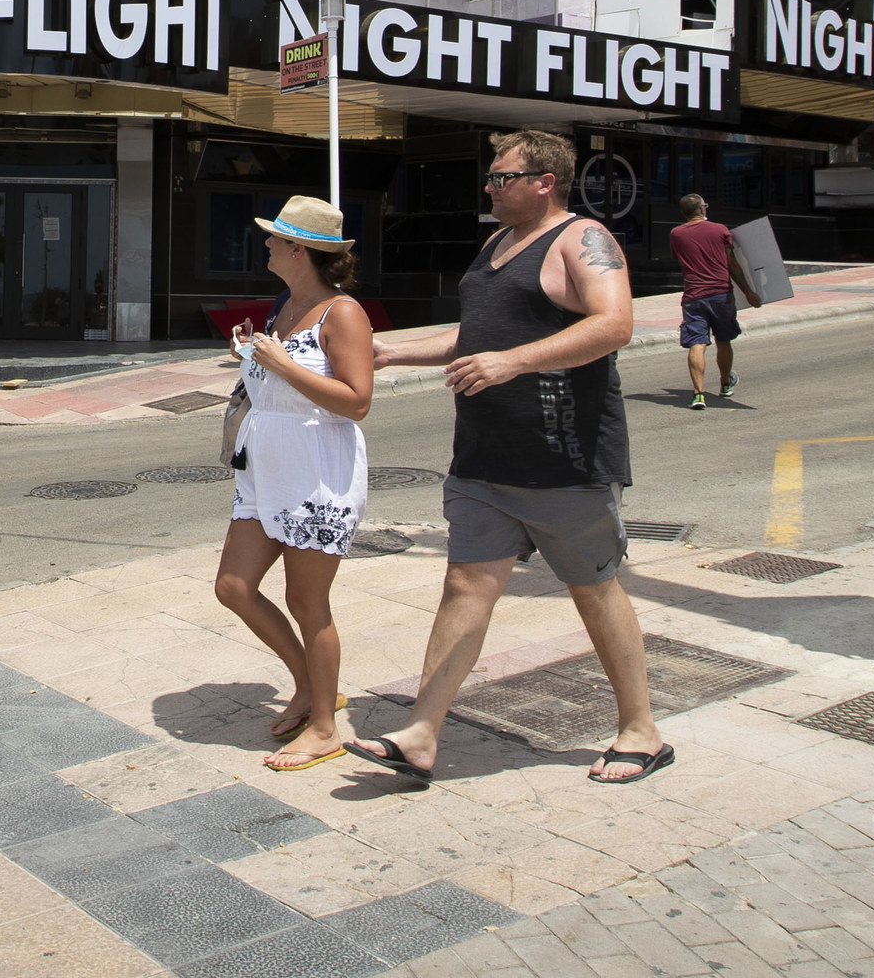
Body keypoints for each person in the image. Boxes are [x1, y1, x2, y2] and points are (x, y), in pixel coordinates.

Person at [351, 129, 670, 788]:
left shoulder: (584, 240)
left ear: (544, 181)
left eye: (502, 177)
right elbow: (481, 333)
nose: (490, 187)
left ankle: (641, 728)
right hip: (483, 461)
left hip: (564, 461)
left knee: (595, 589)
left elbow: (614, 323)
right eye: (492, 177)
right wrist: (394, 352)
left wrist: (512, 362)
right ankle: (421, 733)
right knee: (464, 586)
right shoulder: (498, 242)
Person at [210, 193, 377, 774]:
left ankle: (327, 728)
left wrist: (284, 366)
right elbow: (278, 380)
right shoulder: (286, 305)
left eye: (275, 238)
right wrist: (251, 354)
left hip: (316, 473)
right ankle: (309, 685)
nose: (267, 243)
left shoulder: (343, 313)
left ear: (301, 250)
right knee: (233, 585)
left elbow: (357, 401)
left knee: (307, 602)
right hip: (264, 469)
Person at [669, 193, 747, 409]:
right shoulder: (720, 229)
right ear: (702, 209)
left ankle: (698, 394)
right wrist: (749, 293)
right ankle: (724, 385)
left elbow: (678, 258)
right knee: (723, 340)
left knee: (697, 343)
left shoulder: (676, 234)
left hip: (693, 297)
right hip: (721, 294)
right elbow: (732, 265)